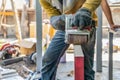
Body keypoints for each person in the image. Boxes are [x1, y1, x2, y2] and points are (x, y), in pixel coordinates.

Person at [39, 0, 120, 80]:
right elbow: (52, 12)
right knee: (48, 59)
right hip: (66, 24)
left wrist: (86, 10)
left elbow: (102, 2)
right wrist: (55, 19)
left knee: (87, 65)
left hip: (86, 24)